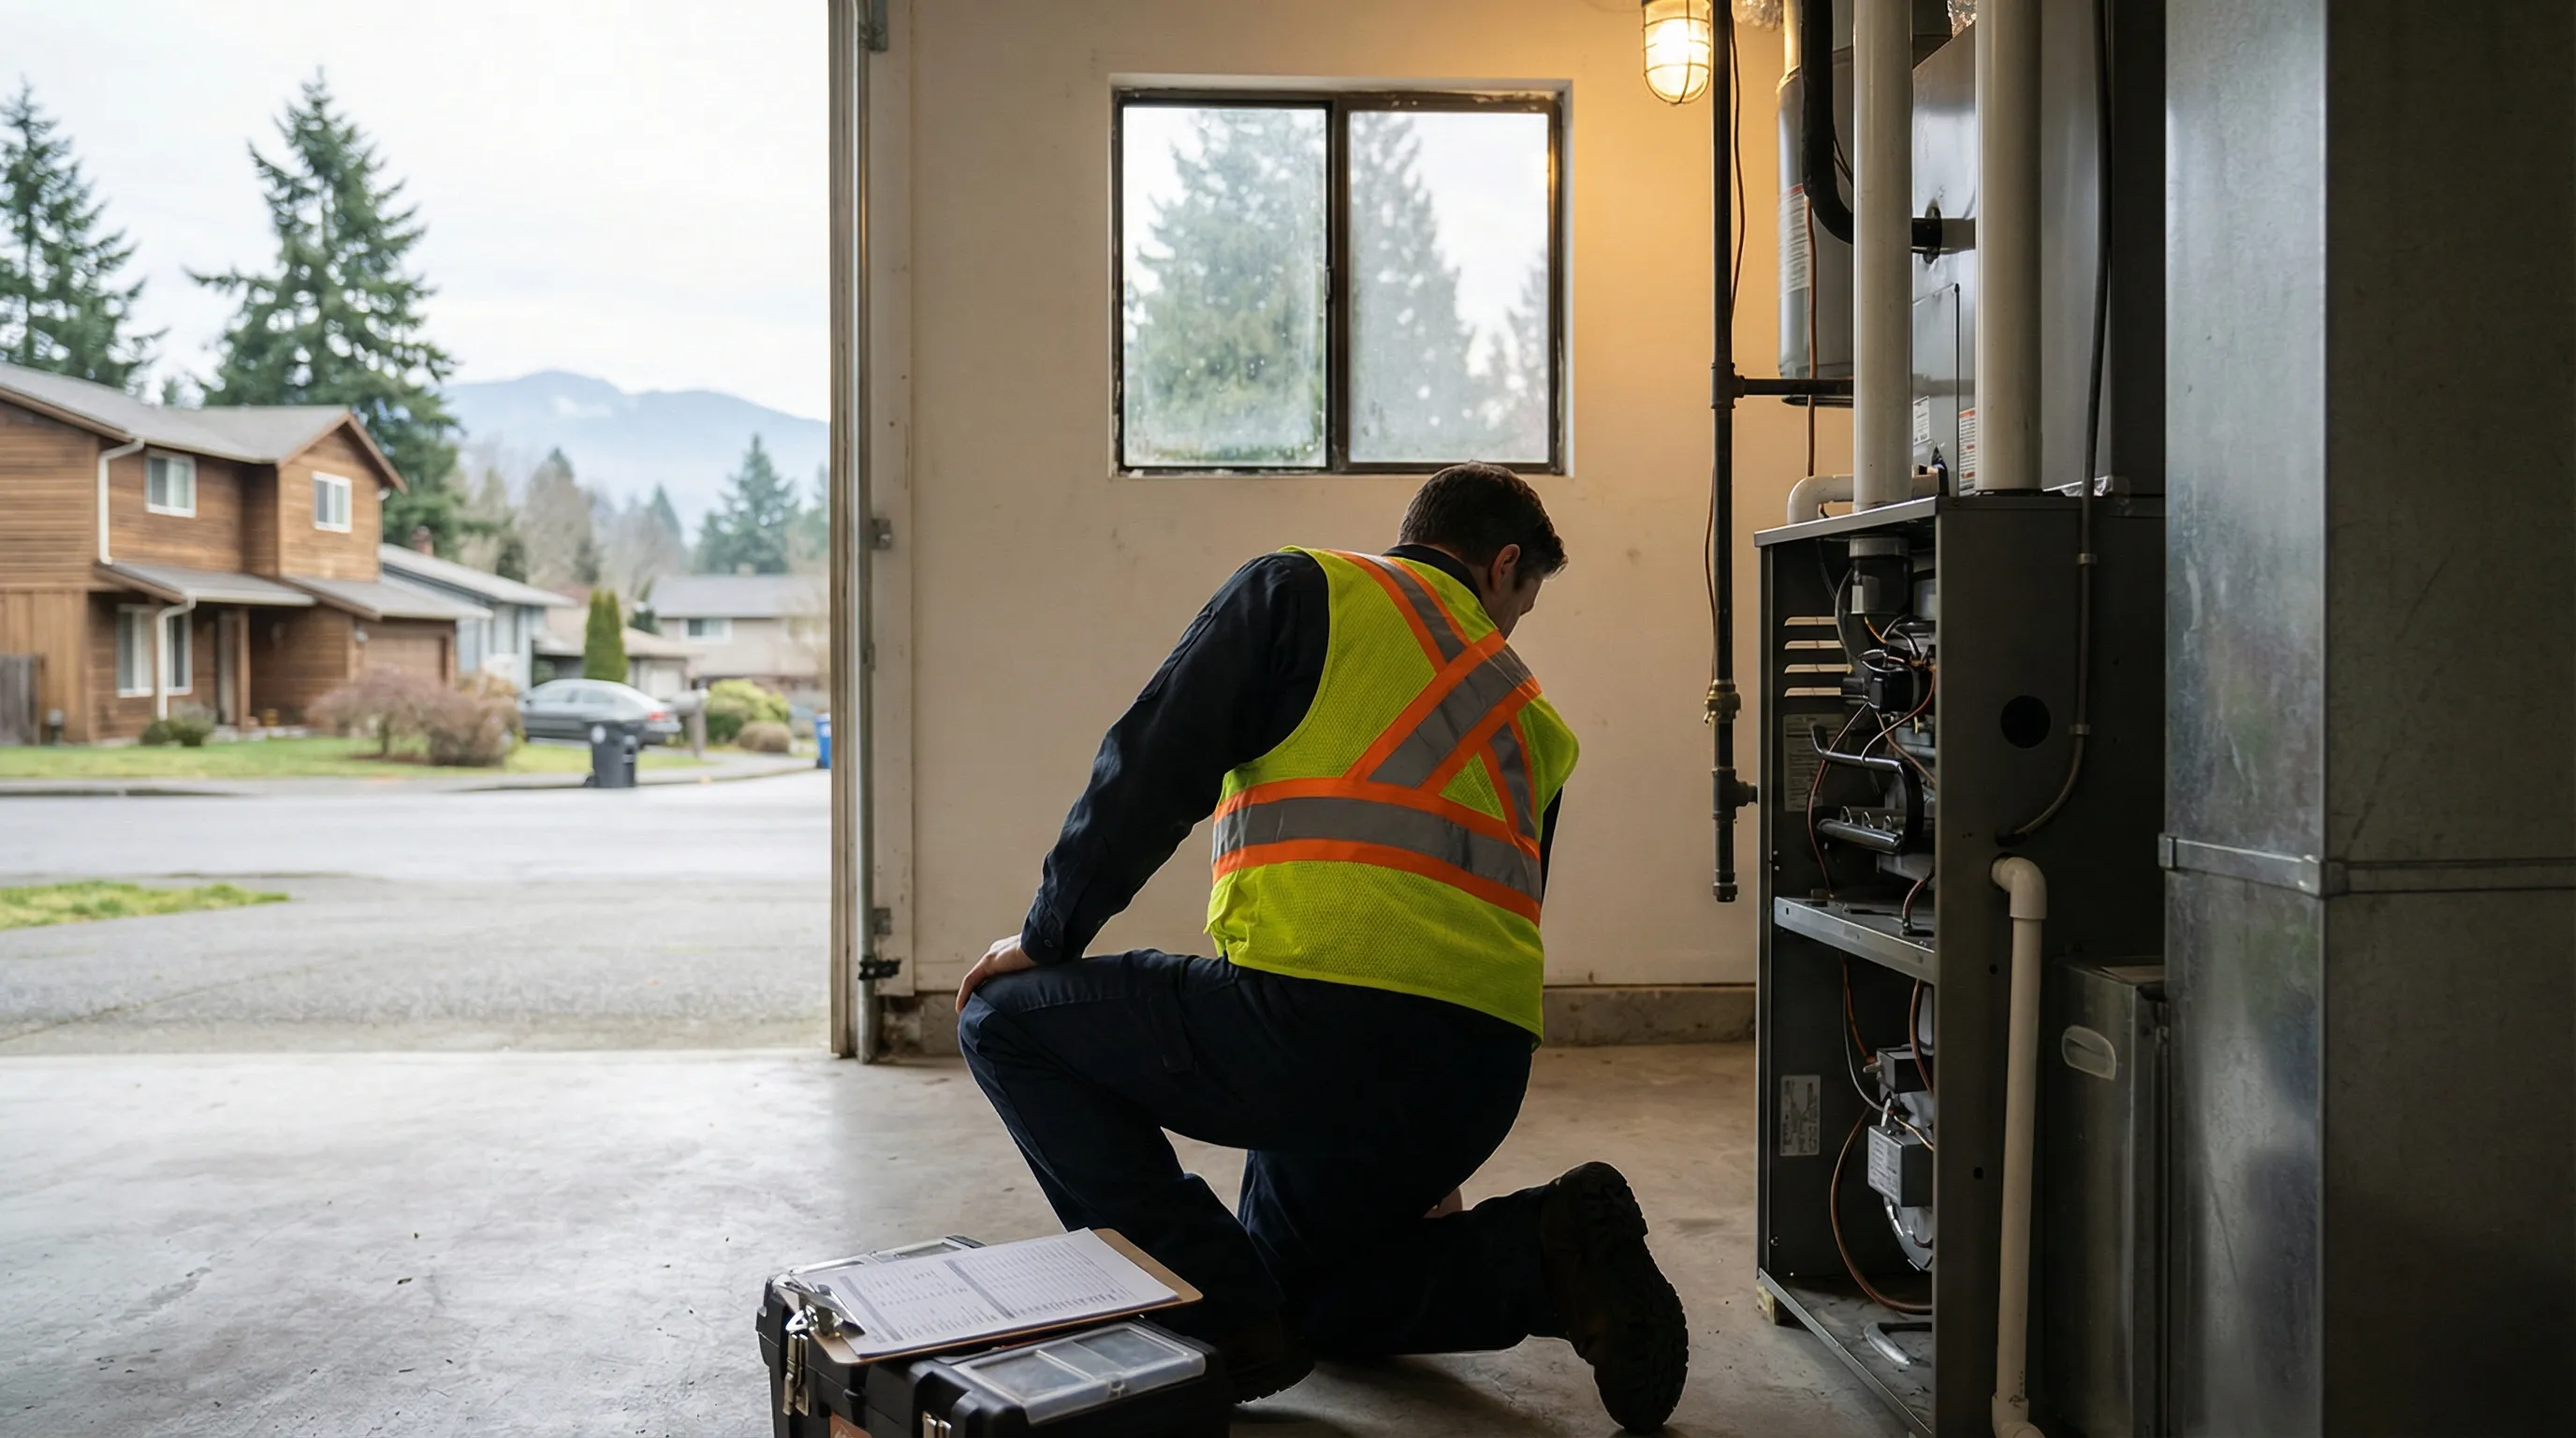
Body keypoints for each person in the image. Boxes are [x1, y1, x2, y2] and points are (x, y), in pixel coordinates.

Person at [954, 463, 1689, 1432]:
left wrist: (1045, 938)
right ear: (1504, 565)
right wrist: (1424, 1157)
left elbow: (1151, 763)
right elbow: (1501, 914)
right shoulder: (1534, 719)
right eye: (1524, 602)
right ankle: (1543, 1254)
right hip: (1477, 1077)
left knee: (1002, 1022)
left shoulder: (1303, 592)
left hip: (1304, 1033)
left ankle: (1220, 1315)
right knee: (1308, 1285)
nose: (1509, 628)